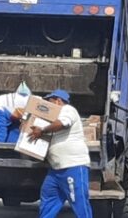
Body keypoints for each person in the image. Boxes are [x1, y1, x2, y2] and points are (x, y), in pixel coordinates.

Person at [28, 89, 92, 218]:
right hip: (55, 170)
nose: (48, 105)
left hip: (72, 166)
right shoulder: (53, 118)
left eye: (50, 101)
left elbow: (63, 123)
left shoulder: (67, 110)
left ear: (58, 100)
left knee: (79, 202)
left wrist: (42, 131)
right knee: (48, 200)